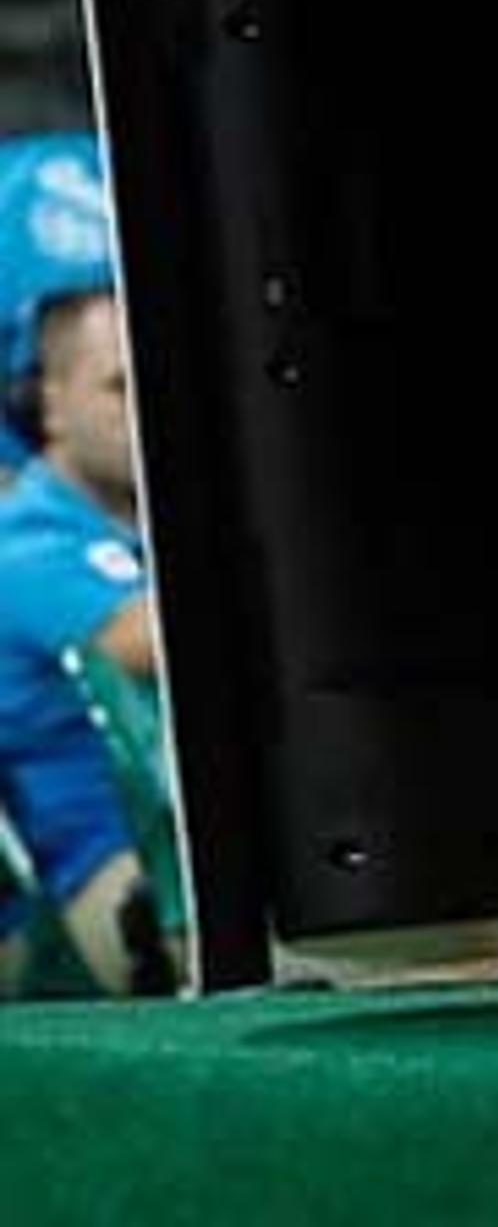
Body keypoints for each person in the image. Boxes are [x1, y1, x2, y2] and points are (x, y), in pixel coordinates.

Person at [0, 136, 168, 998]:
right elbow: (156, 640)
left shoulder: (146, 520)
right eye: (120, 386)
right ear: (47, 399)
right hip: (123, 897)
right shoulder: (22, 539)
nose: (152, 411)